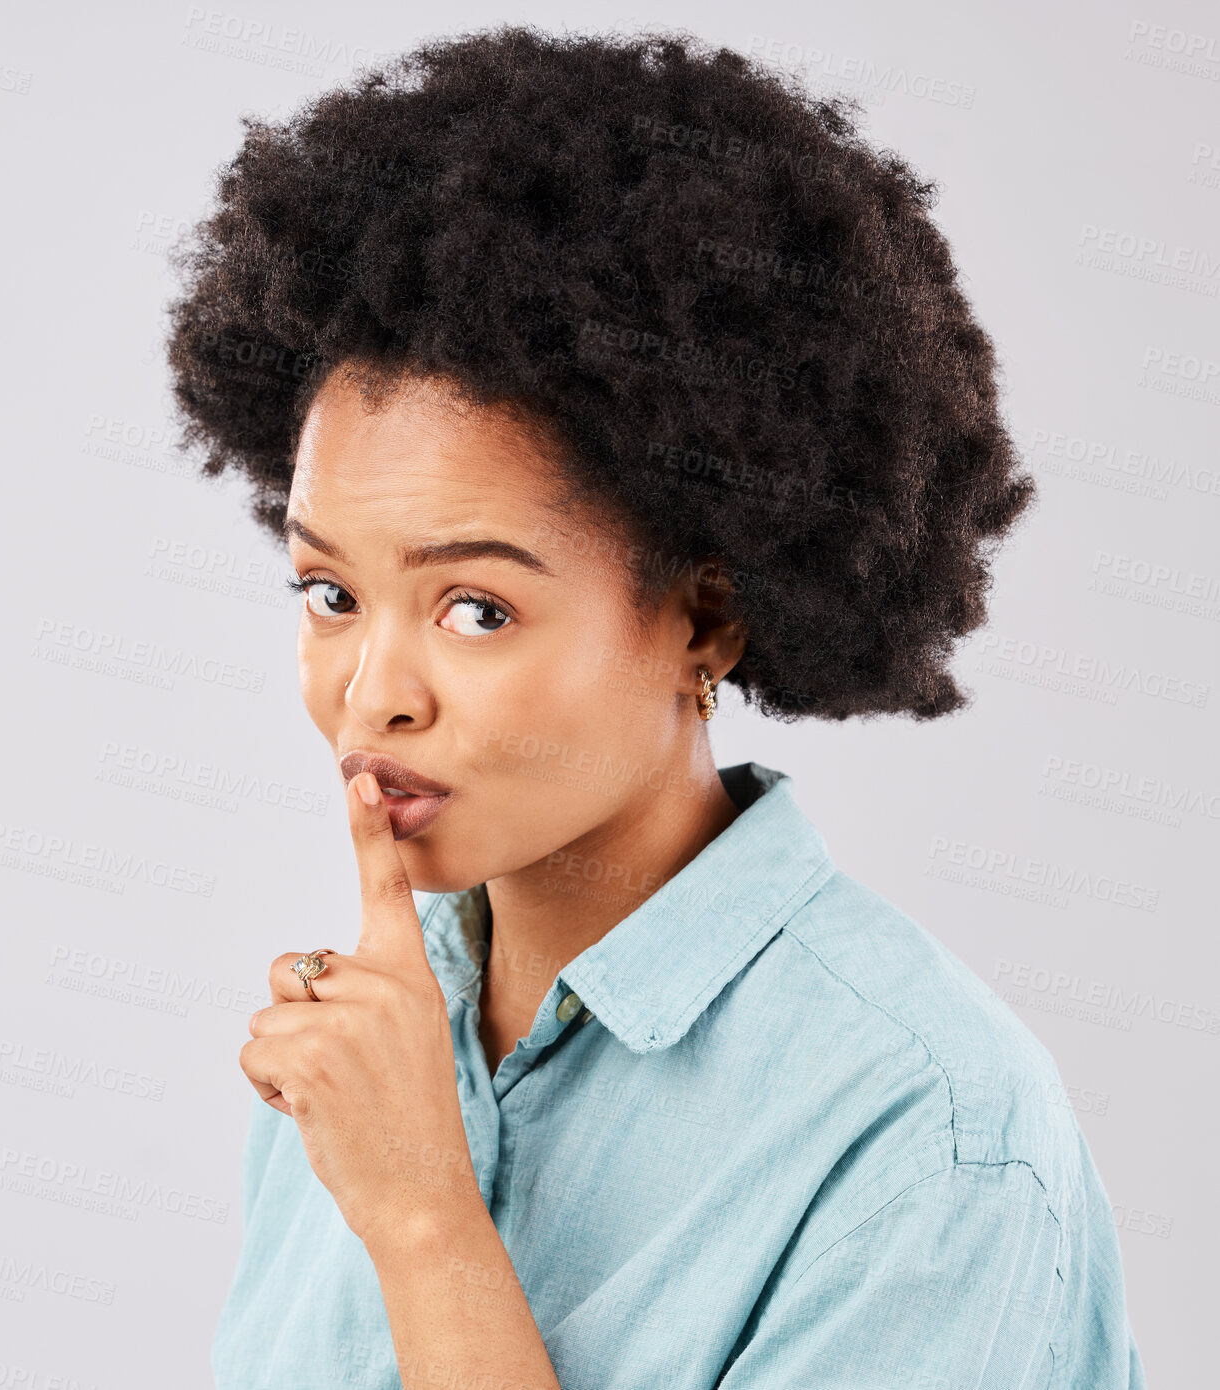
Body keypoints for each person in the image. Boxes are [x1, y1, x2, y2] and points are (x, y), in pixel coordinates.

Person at [164, 24, 1146, 1389]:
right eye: (329, 594)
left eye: (474, 609)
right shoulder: (364, 1049)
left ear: (703, 619)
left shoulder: (924, 1135)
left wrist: (425, 1224)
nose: (371, 695)